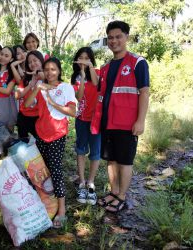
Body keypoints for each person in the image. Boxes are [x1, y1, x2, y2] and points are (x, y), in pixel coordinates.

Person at [91, 21, 150, 213]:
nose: (114, 41)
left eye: (118, 36)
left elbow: (144, 92)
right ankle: (113, 191)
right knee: (111, 160)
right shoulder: (106, 67)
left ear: (126, 37)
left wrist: (140, 120)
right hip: (108, 122)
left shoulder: (137, 63)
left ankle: (122, 196)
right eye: (110, 37)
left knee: (125, 161)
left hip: (126, 124)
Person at [25, 57, 77, 229]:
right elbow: (26, 103)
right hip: (41, 133)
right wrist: (38, 87)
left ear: (59, 71)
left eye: (53, 69)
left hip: (57, 135)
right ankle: (46, 202)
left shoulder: (65, 88)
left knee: (55, 170)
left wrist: (53, 102)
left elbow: (72, 111)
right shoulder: (40, 88)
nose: (50, 72)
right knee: (41, 170)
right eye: (46, 69)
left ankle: (61, 210)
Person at [71, 47, 100, 205]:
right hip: (81, 118)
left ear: (91, 59)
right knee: (81, 150)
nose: (83, 60)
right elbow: (79, 96)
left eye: (86, 58)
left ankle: (91, 183)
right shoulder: (75, 77)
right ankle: (82, 182)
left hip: (96, 119)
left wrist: (89, 68)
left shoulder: (97, 72)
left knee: (95, 152)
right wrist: (82, 76)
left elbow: (96, 84)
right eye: (80, 57)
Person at [15, 51, 45, 138]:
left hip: (39, 118)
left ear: (41, 61)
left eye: (35, 60)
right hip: (24, 116)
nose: (32, 63)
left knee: (39, 145)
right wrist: (30, 85)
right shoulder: (26, 78)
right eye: (29, 62)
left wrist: (40, 74)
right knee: (24, 143)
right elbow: (17, 96)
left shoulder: (48, 77)